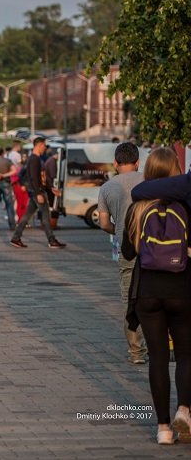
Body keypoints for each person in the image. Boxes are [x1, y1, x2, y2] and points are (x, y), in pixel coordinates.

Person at [122, 148, 190, 444]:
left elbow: (126, 252)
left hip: (147, 292)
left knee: (158, 358)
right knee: (187, 355)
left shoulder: (137, 207)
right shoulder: (185, 205)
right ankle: (185, 410)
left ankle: (163, 428)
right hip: (183, 288)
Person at [97, 141, 147, 365]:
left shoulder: (107, 188)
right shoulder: (150, 181)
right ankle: (161, 348)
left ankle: (137, 353)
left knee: (130, 301)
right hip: (154, 249)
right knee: (156, 296)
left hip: (126, 249)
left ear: (116, 163)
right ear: (137, 162)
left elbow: (104, 223)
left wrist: (117, 229)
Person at [10, 137, 66, 249]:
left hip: (37, 191)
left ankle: (16, 238)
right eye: (44, 145)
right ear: (39, 145)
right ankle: (51, 240)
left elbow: (42, 177)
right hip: (38, 192)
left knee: (26, 216)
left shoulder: (35, 159)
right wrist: (38, 193)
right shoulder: (34, 159)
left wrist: (50, 188)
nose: (45, 148)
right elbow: (34, 178)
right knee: (45, 217)